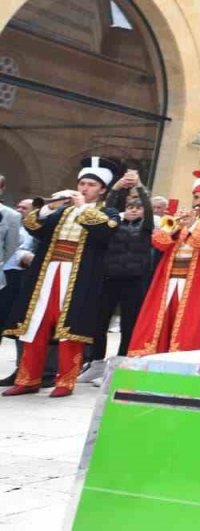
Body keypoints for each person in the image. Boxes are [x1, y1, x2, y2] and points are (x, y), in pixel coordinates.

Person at [3, 158, 123, 397]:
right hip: (47, 274)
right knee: (35, 324)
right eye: (82, 183)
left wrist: (82, 208)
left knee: (70, 329)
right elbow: (32, 226)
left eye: (90, 185)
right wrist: (48, 207)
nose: (84, 188)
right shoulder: (61, 212)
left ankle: (65, 382)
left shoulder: (107, 213)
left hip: (78, 277)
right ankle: (28, 378)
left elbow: (105, 231)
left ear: (102, 190)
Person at [129, 170, 200, 356]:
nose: (198, 202)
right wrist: (175, 227)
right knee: (158, 322)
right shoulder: (176, 217)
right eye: (196, 197)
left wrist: (191, 227)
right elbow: (158, 242)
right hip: (167, 280)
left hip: (194, 284)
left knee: (186, 325)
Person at [81, 179, 155, 383]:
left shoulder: (147, 226)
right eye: (131, 206)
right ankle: (96, 363)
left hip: (134, 280)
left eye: (138, 207)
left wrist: (140, 186)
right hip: (110, 278)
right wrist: (115, 188)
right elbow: (106, 210)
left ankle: (120, 365)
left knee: (128, 325)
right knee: (100, 322)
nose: (134, 210)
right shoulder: (115, 224)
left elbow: (148, 209)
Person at [0, 197, 39, 387]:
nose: (20, 209)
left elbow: (13, 250)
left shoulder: (32, 228)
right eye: (19, 205)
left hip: (18, 278)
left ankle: (21, 369)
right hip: (7, 274)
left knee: (15, 325)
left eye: (25, 207)